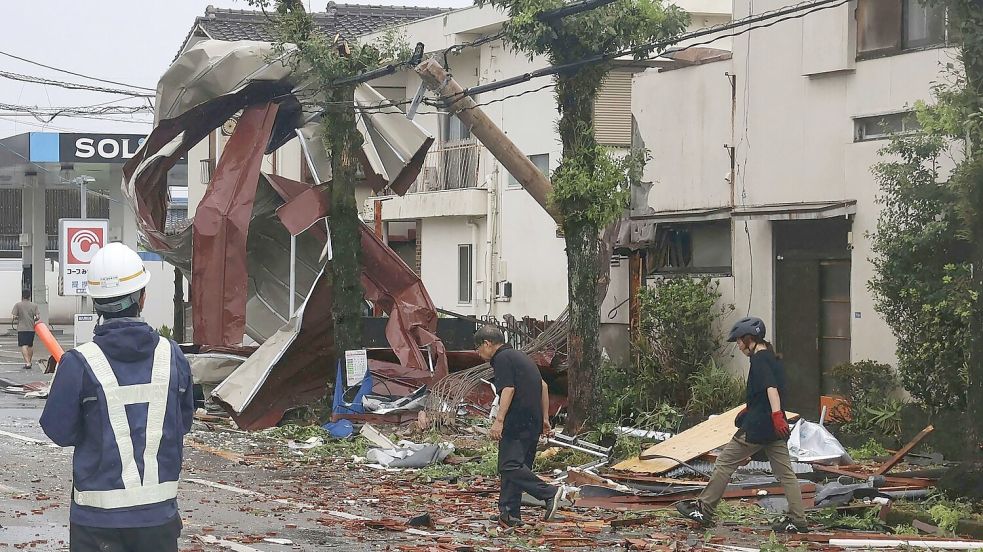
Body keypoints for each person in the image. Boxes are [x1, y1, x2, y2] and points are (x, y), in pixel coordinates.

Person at [40, 243, 195, 552]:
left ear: (96, 303)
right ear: (142, 297)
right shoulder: (172, 356)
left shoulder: (79, 363)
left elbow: (59, 431)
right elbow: (184, 422)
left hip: (96, 523)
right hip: (158, 518)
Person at [675, 317, 808, 533]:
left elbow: (771, 388)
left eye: (738, 341)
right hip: (774, 428)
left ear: (749, 339)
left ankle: (704, 509)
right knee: (787, 475)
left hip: (759, 427)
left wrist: (774, 414)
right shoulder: (772, 357)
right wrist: (753, 408)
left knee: (724, 463)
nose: (738, 345)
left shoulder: (760, 359)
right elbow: (771, 391)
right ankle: (798, 520)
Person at [476, 325, 563, 527]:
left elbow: (508, 389)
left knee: (509, 465)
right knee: (515, 468)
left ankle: (549, 492)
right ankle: (509, 514)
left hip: (517, 419)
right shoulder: (521, 356)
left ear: (487, 344)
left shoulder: (502, 358)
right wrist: (545, 418)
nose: (479, 354)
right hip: (532, 420)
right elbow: (543, 386)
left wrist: (498, 421)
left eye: (478, 349)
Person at [11, 289, 40, 370]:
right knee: (30, 345)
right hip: (31, 328)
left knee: (23, 345)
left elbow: (13, 316)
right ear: (30, 296)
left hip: (21, 328)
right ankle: (29, 361)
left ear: (22, 296)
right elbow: (37, 317)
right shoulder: (34, 305)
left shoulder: (18, 305)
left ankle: (27, 363)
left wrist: (18, 318)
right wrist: (32, 320)